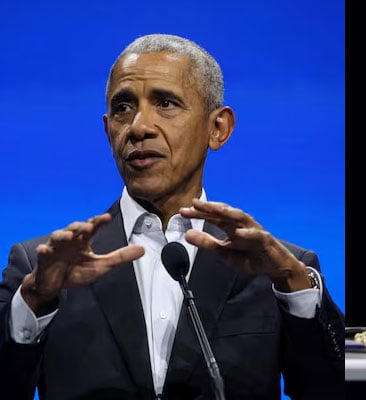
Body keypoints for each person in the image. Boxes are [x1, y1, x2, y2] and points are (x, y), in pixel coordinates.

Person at [0, 33, 344, 399]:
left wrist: (295, 286)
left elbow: (328, 389)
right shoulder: (43, 271)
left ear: (218, 128)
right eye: (123, 108)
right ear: (106, 130)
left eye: (165, 103)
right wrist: (35, 302)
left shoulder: (277, 270)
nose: (138, 127)